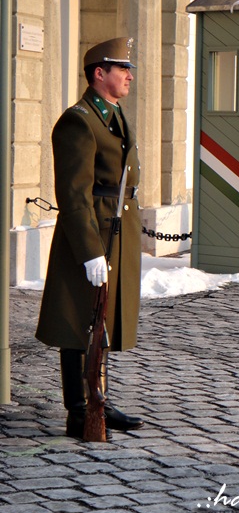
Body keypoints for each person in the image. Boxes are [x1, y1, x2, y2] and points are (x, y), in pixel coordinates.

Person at [36, 37, 144, 439]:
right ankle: (79, 409)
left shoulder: (112, 114)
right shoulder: (78, 121)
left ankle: (97, 395)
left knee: (101, 319)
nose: (129, 75)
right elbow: (73, 193)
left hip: (116, 228)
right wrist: (88, 251)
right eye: (122, 69)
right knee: (80, 319)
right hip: (92, 231)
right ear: (100, 74)